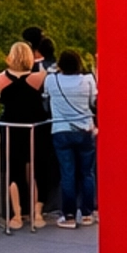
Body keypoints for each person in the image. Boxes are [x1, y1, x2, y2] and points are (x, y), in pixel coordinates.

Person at [0, 43, 49, 231]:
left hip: (11, 128)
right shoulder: (37, 77)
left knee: (13, 171)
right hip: (34, 128)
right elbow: (46, 73)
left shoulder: (2, 78)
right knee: (34, 170)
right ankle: (37, 213)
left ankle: (16, 215)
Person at [44, 51, 97, 229]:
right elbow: (93, 102)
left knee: (67, 174)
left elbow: (45, 98)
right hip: (85, 129)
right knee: (87, 173)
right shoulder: (88, 80)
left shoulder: (52, 80)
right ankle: (88, 213)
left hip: (61, 129)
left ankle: (68, 215)